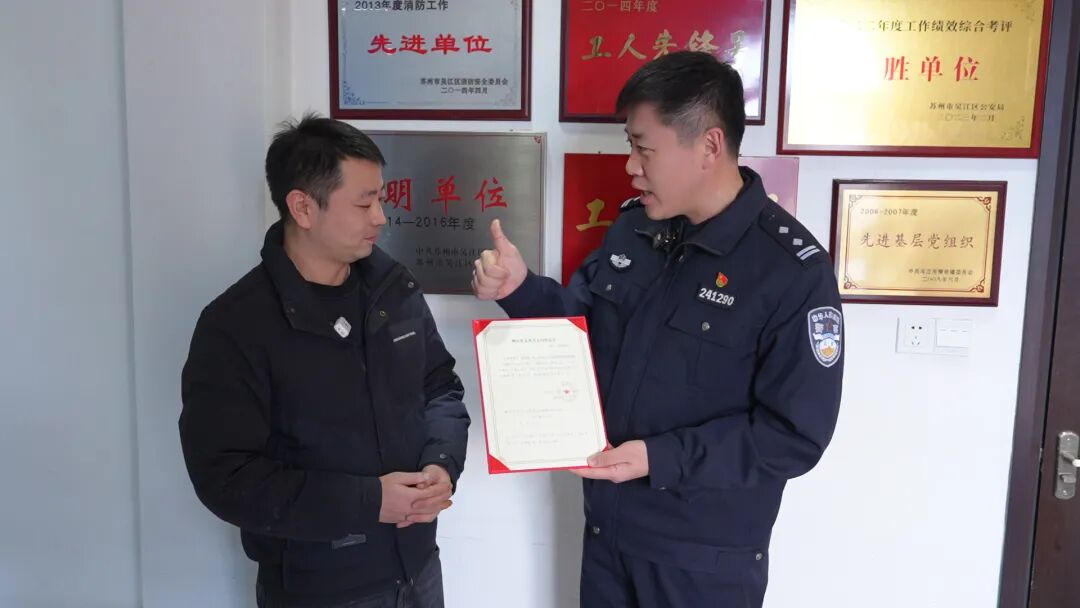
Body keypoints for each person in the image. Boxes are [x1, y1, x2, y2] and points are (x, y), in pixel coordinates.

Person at [472, 51, 844, 607]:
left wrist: (661, 457)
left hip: (702, 563)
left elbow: (794, 436)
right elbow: (579, 331)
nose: (630, 166)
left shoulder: (789, 270)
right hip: (607, 537)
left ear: (710, 146)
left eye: (644, 149)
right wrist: (520, 288)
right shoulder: (635, 230)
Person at [180, 113, 469, 608]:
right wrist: (370, 502)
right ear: (303, 207)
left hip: (417, 567)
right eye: (363, 203)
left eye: (381, 198)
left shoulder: (392, 291)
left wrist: (441, 463)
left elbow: (440, 387)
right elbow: (226, 477)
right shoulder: (237, 325)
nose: (381, 217)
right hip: (319, 586)